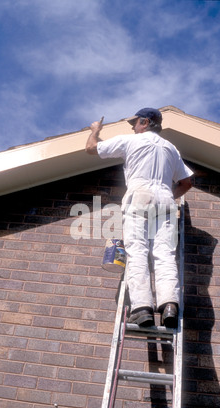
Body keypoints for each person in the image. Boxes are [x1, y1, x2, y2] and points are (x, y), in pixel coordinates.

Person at [86, 108, 193, 328]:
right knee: (165, 253)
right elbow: (186, 183)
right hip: (165, 199)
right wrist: (166, 197)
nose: (133, 127)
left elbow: (90, 148)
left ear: (145, 122)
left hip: (139, 197)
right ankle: (169, 305)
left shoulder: (131, 141)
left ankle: (142, 308)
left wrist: (95, 131)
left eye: (135, 123)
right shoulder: (170, 148)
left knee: (137, 251)